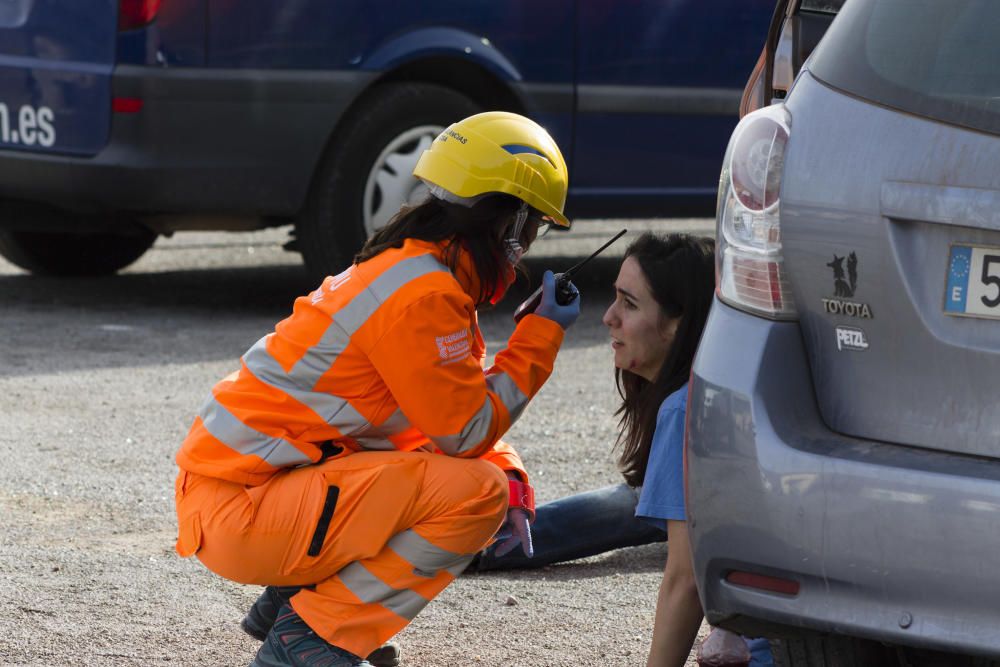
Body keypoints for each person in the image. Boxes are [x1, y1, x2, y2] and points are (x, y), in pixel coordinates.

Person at [172, 111, 581, 667]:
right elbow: (463, 431)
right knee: (475, 494)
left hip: (240, 498)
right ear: (508, 222)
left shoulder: (414, 271)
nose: (527, 246)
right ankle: (313, 638)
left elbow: (440, 410)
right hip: (243, 512)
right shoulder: (425, 296)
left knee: (472, 477)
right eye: (532, 228)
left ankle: (298, 601)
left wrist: (511, 471)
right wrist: (540, 338)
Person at [478, 233, 770, 667]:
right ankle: (480, 543)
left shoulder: (685, 407)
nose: (607, 318)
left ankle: (477, 544)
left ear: (678, 323)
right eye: (614, 299)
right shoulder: (735, 387)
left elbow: (683, 581)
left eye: (629, 305)